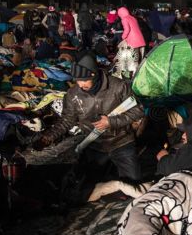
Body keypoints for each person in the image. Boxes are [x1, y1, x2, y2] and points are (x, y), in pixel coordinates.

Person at [32, 53, 146, 204]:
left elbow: (138, 110)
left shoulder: (119, 86)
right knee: (83, 190)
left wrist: (111, 122)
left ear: (95, 75)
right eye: (77, 80)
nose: (81, 84)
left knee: (134, 187)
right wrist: (48, 138)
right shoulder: (73, 95)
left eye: (85, 80)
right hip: (94, 145)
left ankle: (113, 174)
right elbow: (66, 120)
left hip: (121, 142)